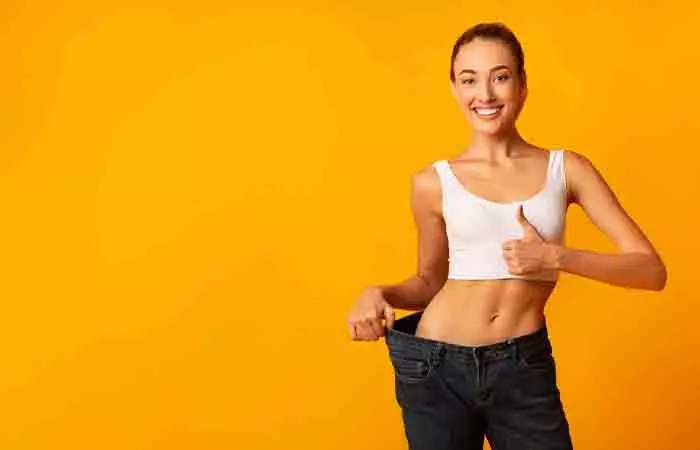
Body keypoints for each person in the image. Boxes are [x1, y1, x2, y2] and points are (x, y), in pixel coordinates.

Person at [346, 22, 667, 450]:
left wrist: (555, 258)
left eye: (500, 77)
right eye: (469, 80)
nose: (486, 95)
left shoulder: (567, 170)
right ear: (455, 89)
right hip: (434, 365)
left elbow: (651, 271)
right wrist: (377, 292)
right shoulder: (432, 183)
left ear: (522, 85)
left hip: (522, 366)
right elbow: (429, 283)